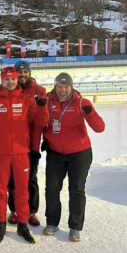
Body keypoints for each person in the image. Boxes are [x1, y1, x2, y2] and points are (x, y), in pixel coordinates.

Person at [0, 66, 48, 244]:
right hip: (0, 153)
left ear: (17, 80)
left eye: (13, 79)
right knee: (1, 190)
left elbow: (42, 121)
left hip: (21, 153)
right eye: (6, 79)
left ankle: (22, 224)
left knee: (22, 190)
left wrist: (41, 107)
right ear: (2, 80)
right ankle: (1, 223)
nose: (10, 82)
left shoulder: (26, 99)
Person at [42, 72, 105, 242]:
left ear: (71, 87)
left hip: (79, 154)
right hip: (55, 153)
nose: (63, 90)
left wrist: (90, 113)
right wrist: (44, 139)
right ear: (55, 87)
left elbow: (100, 128)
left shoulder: (81, 103)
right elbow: (42, 123)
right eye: (59, 86)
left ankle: (75, 227)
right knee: (52, 189)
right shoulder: (48, 101)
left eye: (66, 86)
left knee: (76, 189)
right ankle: (52, 222)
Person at [7, 60, 47, 226]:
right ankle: (14, 211)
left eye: (25, 72)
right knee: (13, 180)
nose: (23, 75)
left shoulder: (39, 91)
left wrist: (42, 141)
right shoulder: (9, 89)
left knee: (31, 179)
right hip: (13, 143)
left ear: (29, 73)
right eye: (20, 73)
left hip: (31, 143)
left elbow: (44, 119)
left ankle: (32, 212)